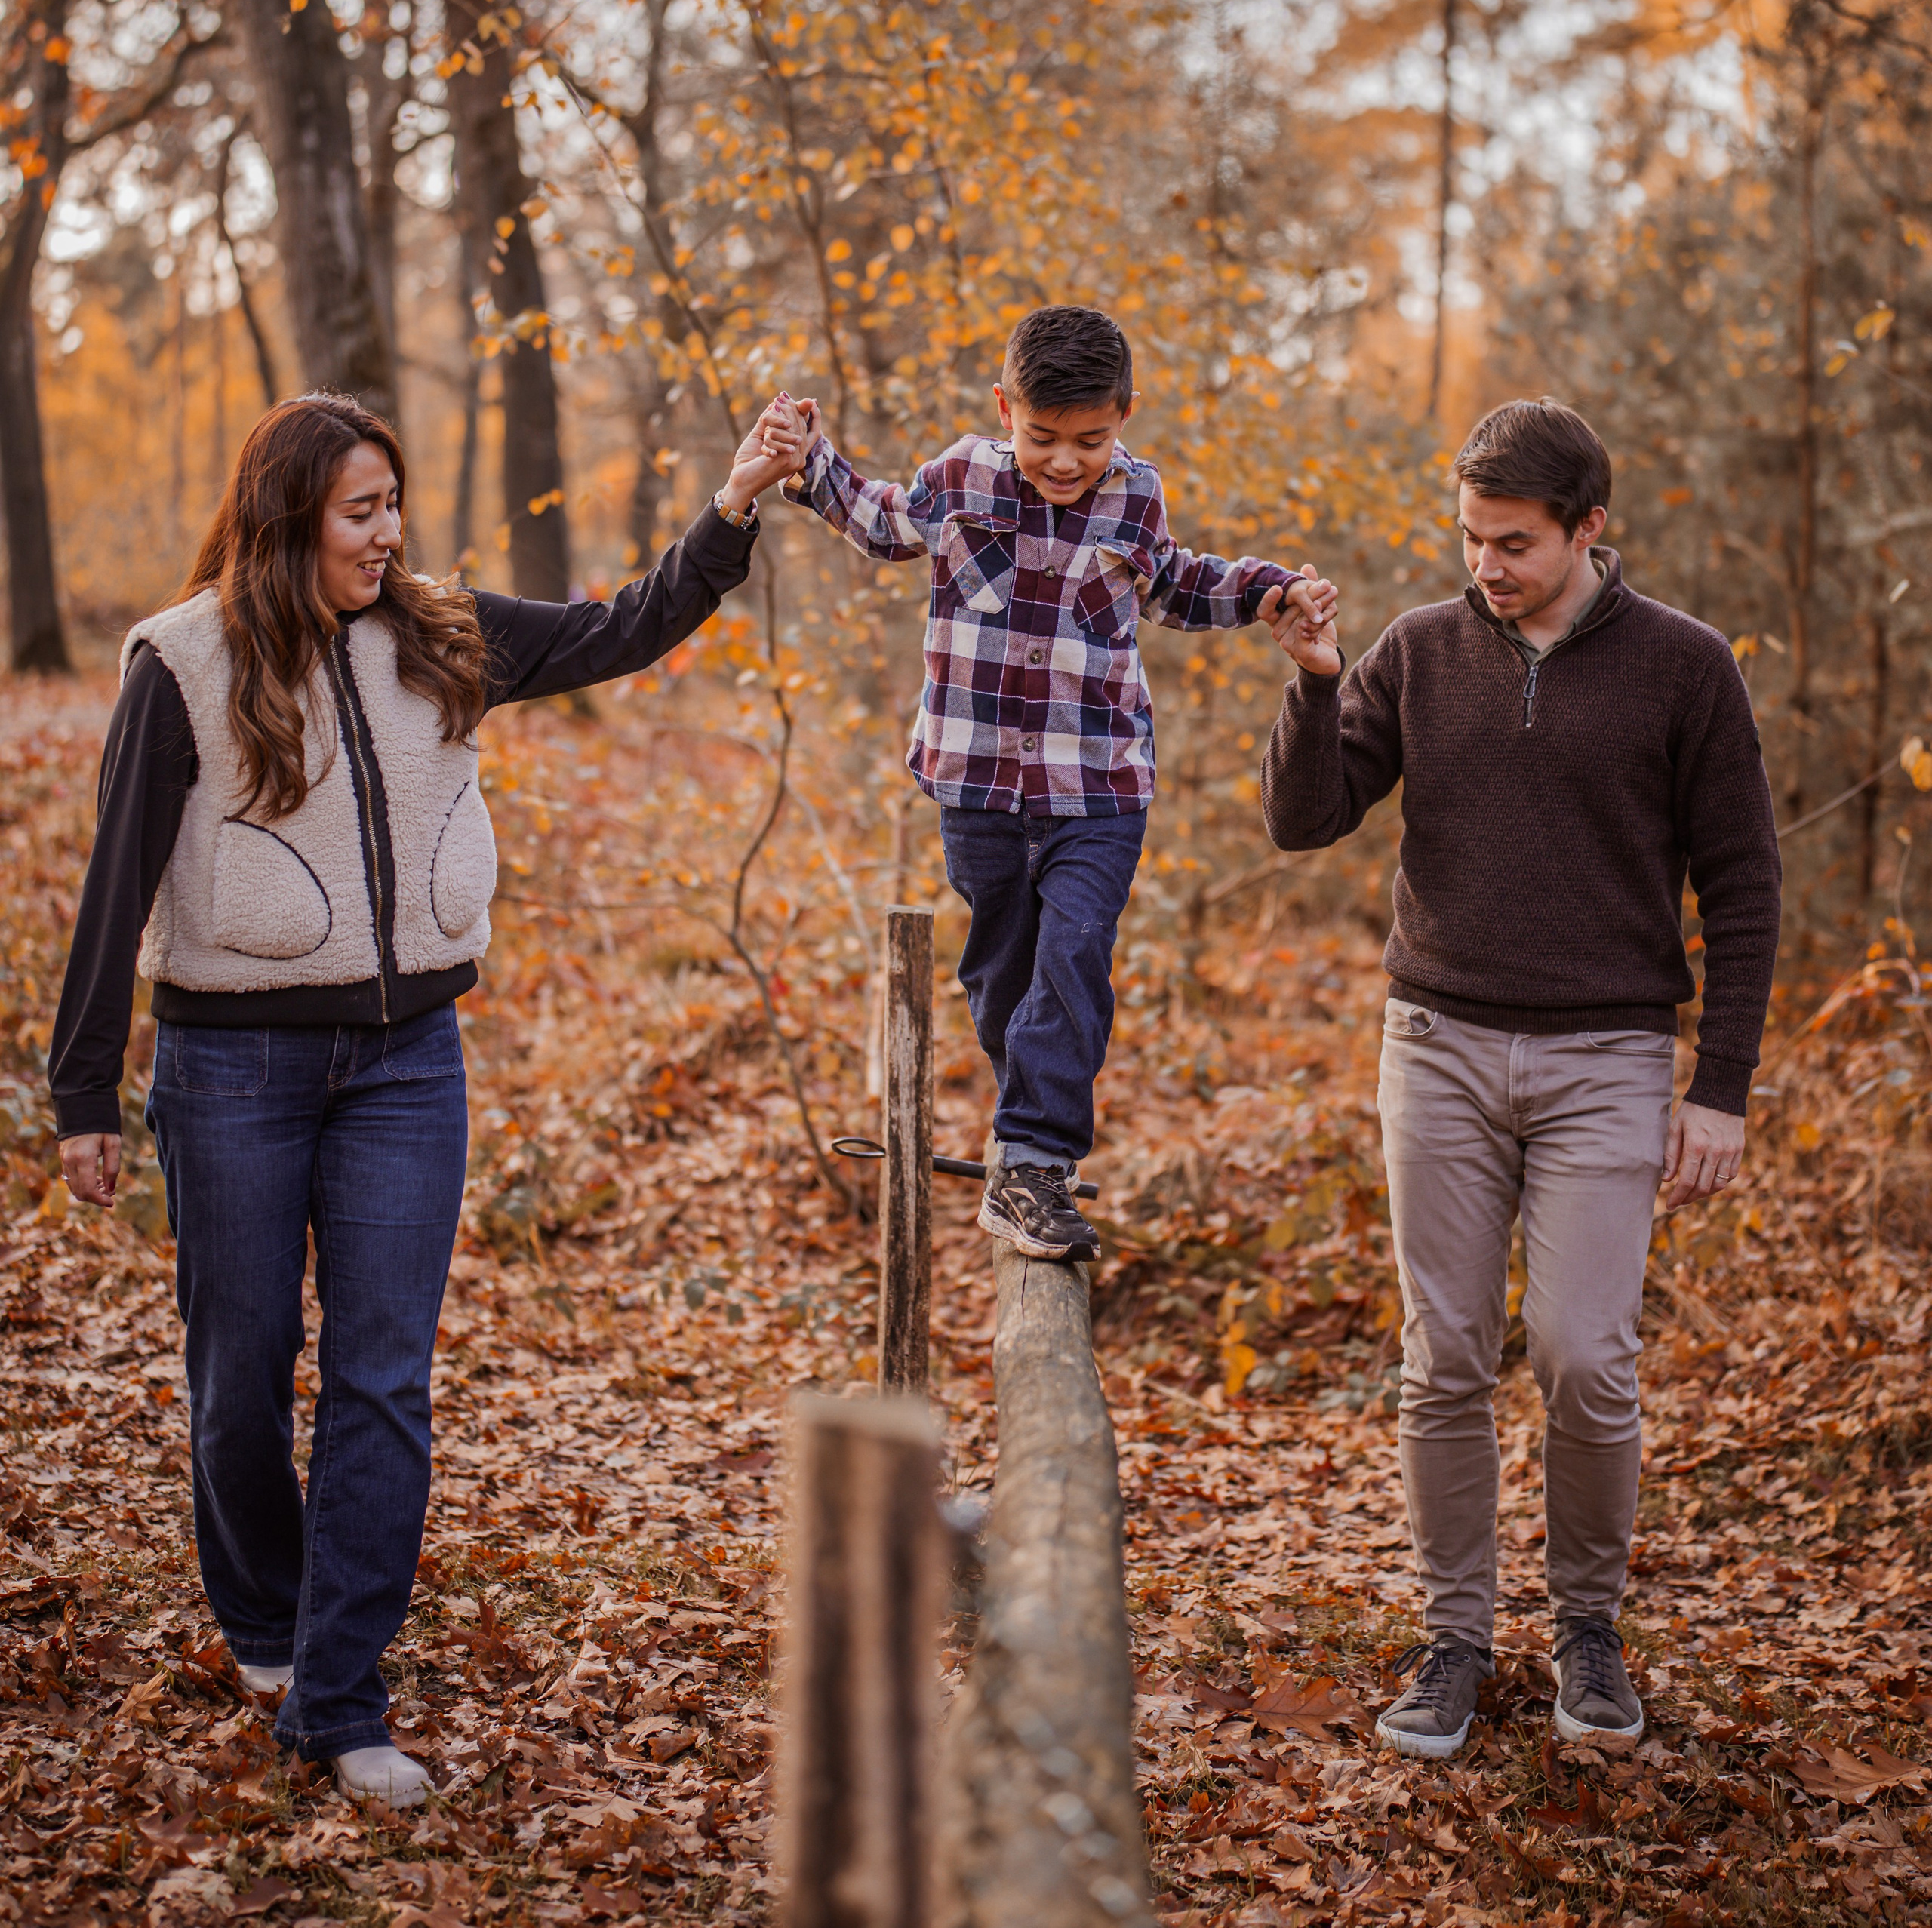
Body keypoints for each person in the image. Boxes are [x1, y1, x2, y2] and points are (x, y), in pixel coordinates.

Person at [48, 392, 802, 1804]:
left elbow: (620, 626)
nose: (387, 534)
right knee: (237, 1382)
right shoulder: (187, 661)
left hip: (408, 1065)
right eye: (359, 510)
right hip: (235, 1065)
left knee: (383, 1381)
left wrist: (735, 503)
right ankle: (270, 1614)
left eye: (392, 503)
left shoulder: (439, 634)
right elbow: (116, 880)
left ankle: (340, 1693)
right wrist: (85, 1086)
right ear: (289, 517)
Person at [1259, 398, 1781, 1758]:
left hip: (1609, 1055)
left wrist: (1719, 1084)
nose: (1486, 565)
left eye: (1515, 541)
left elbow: (1743, 882)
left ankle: (1588, 1627)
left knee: (1584, 1354)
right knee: (1443, 1357)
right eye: (1472, 538)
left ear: (1589, 527)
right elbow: (1305, 820)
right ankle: (1455, 1633)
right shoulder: (1421, 650)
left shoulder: (1685, 666)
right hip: (1435, 1047)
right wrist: (1316, 677)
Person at [759, 306, 1338, 1260]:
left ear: (1124, 417)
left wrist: (1270, 589)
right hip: (978, 783)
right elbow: (877, 521)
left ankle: (1031, 1161)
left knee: (1073, 957)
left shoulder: (1137, 496)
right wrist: (807, 455)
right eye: (1042, 438)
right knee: (1002, 975)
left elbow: (1174, 583)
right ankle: (1031, 1137)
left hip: (1098, 782)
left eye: (1090, 440)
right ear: (1004, 408)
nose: (1065, 462)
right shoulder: (960, 478)